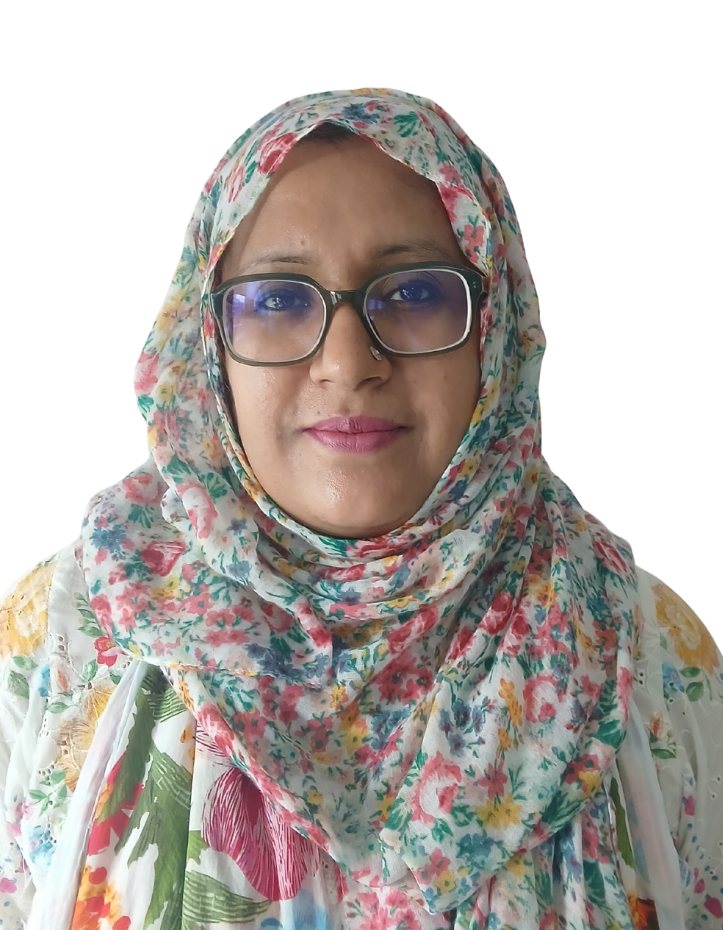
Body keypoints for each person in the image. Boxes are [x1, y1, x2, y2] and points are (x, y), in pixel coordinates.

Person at [0, 88, 720, 930]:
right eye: (278, 299)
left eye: (412, 294)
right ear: (207, 341)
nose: (347, 363)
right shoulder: (63, 637)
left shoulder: (641, 652)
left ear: (495, 327)